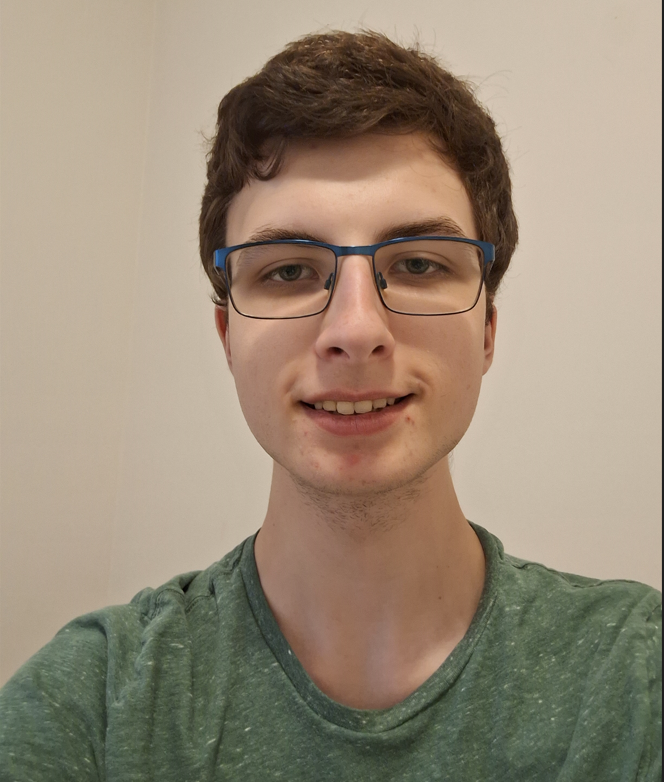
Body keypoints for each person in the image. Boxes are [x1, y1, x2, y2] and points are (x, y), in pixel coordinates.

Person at [0, 30, 660, 781]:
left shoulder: (635, 680)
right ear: (227, 335)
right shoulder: (92, 704)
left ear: (487, 329)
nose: (354, 330)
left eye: (418, 263)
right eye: (287, 271)